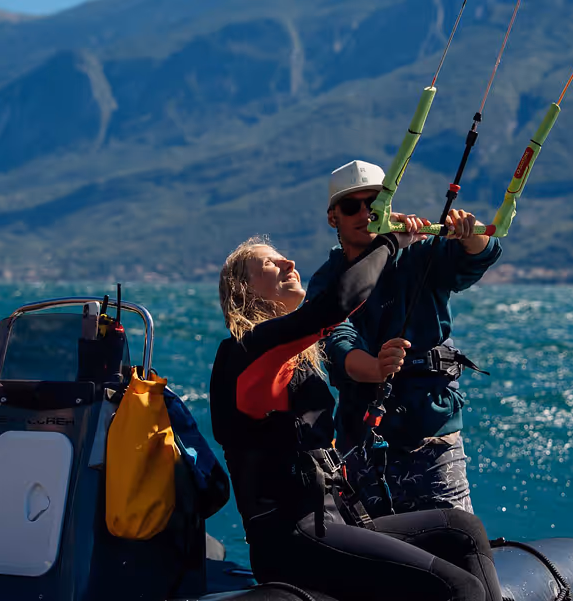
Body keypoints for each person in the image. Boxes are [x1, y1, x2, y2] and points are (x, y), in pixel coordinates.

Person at [209, 231, 502, 601]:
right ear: (244, 290)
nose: (289, 263)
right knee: (458, 587)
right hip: (293, 539)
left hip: (332, 521)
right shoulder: (247, 353)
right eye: (269, 263)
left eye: (283, 256)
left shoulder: (292, 355)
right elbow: (339, 303)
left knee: (464, 529)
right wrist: (390, 243)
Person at [306, 159, 503, 517]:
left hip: (432, 434)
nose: (365, 213)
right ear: (333, 217)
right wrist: (376, 368)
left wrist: (469, 233)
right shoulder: (326, 282)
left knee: (457, 537)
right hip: (362, 446)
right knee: (375, 547)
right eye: (351, 206)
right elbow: (336, 342)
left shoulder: (418, 254)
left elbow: (475, 258)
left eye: (374, 203)